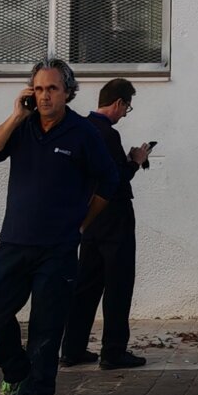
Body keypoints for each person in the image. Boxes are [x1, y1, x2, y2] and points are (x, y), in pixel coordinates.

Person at [0, 58, 120, 395]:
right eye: (38, 89)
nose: (44, 96)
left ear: (68, 92)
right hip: (13, 242)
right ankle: (16, 373)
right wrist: (14, 117)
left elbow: (109, 182)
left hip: (57, 247)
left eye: (52, 89)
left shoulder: (83, 133)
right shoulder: (22, 128)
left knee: (46, 326)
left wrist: (82, 221)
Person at [62, 78, 152, 371]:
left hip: (89, 217)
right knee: (118, 284)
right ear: (119, 103)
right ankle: (113, 351)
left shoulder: (83, 129)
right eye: (127, 107)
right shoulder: (108, 134)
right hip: (116, 218)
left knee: (86, 285)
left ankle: (72, 348)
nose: (126, 113)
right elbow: (116, 179)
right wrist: (136, 161)